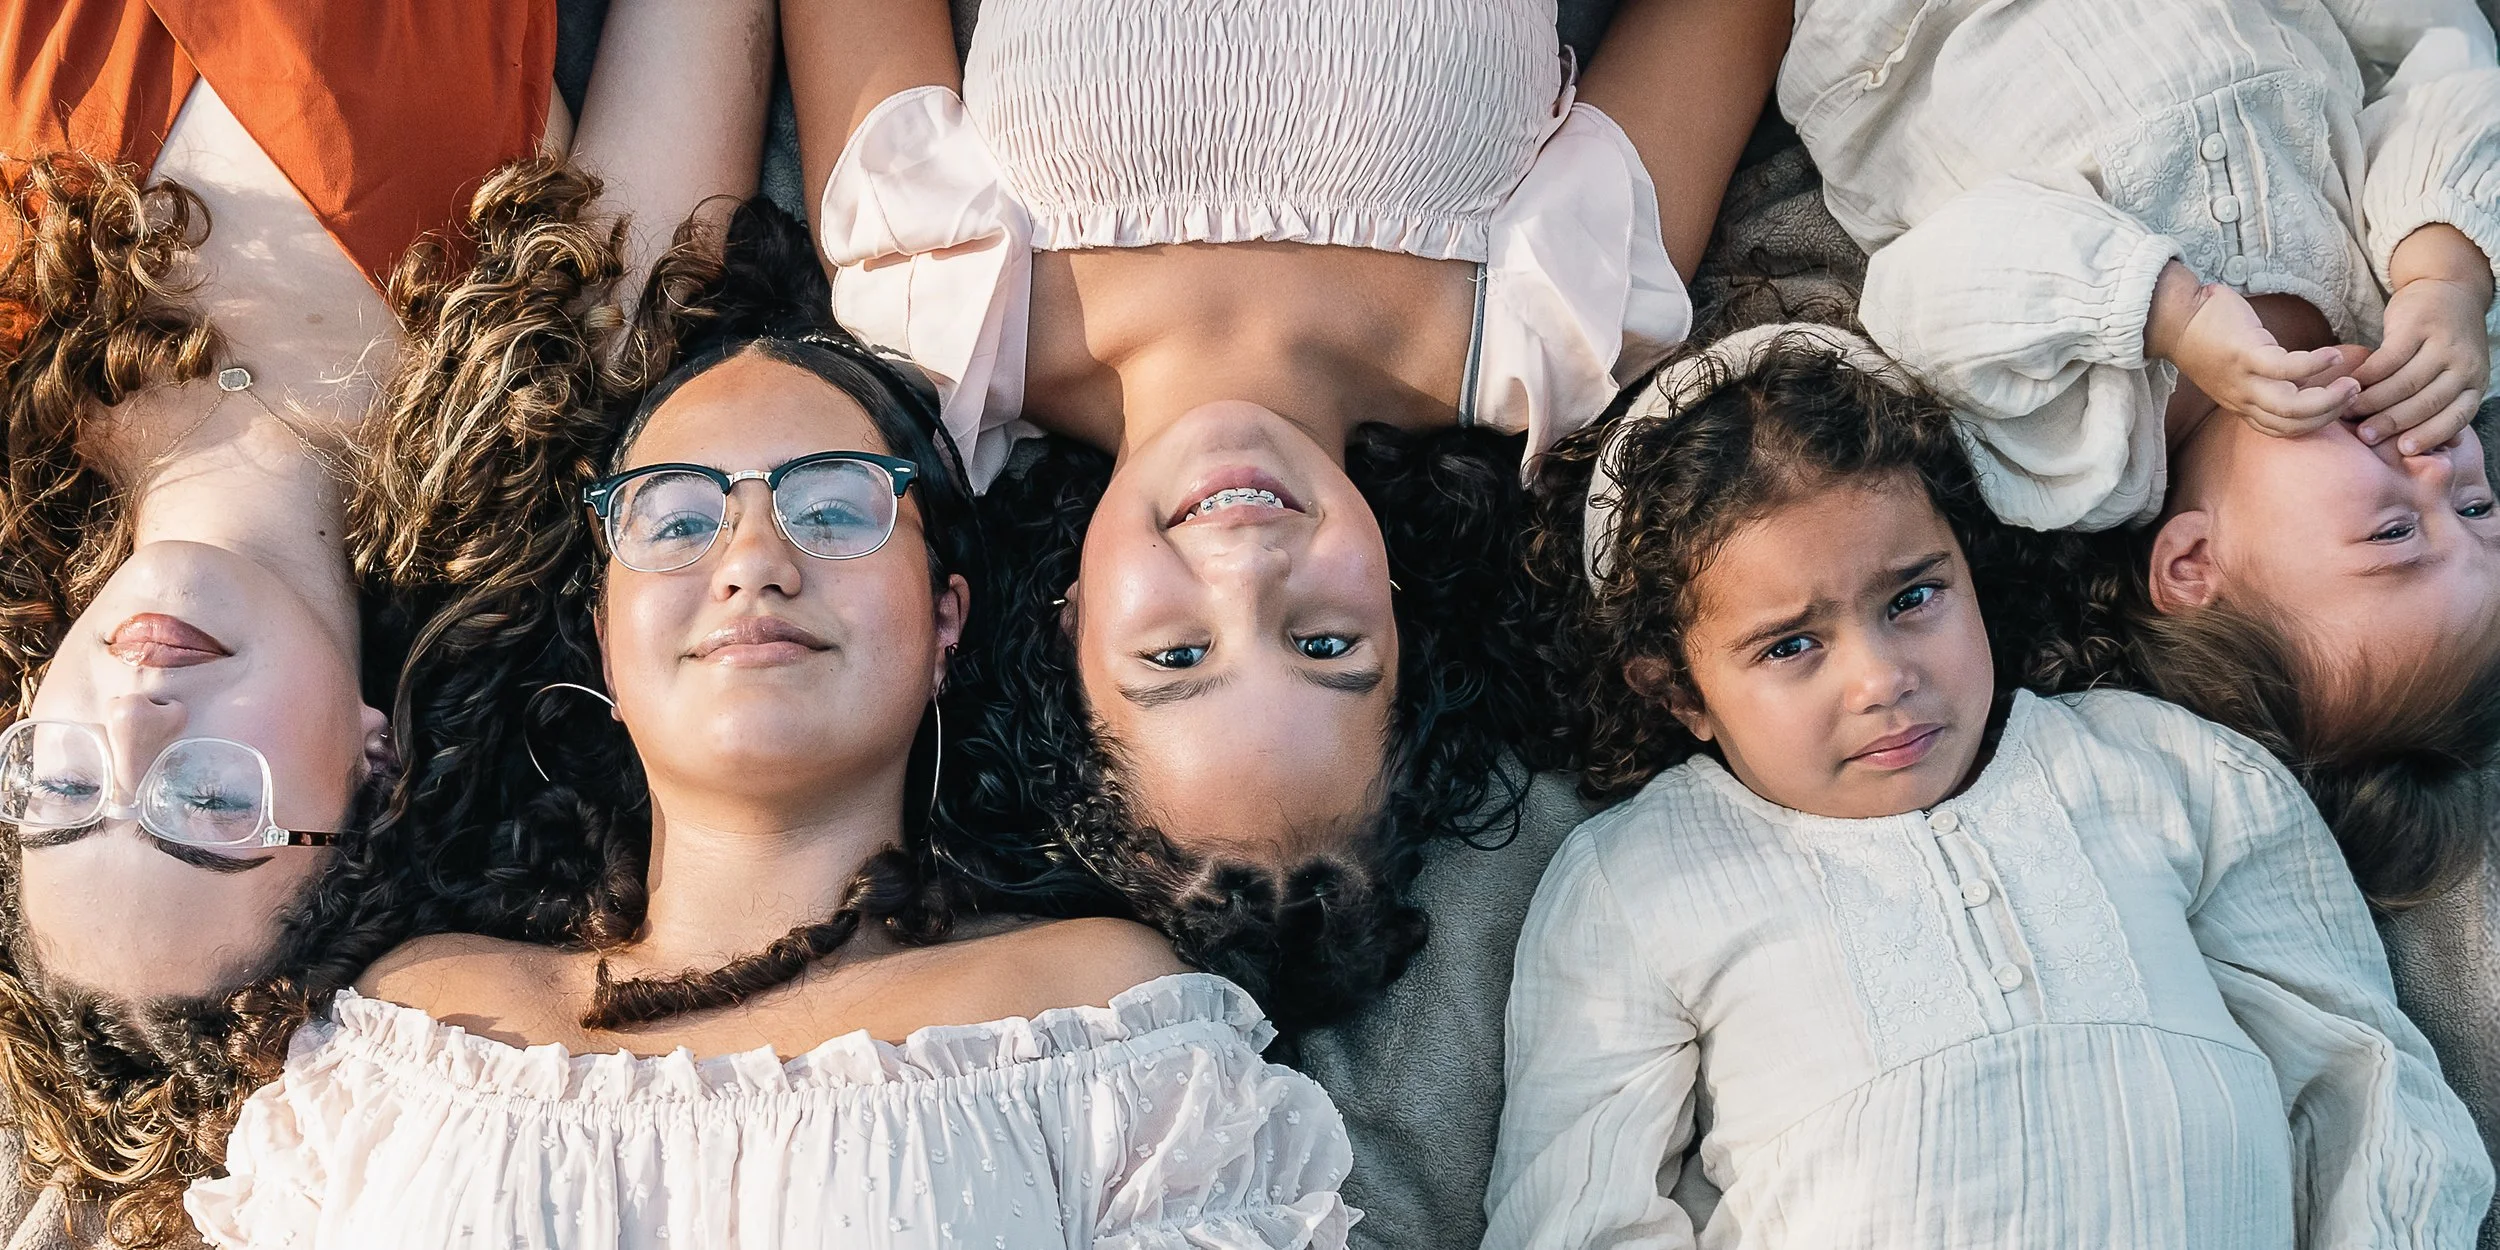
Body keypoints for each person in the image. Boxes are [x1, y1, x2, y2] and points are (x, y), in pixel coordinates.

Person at [186, 187, 1355, 1249]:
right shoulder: (409, 1030)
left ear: (947, 617)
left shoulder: (1104, 1025)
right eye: (678, 520)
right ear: (605, 634)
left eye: (835, 506)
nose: (752, 559)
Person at [780, 0, 1788, 1018]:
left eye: (1175, 655)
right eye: (1324, 643)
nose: (1246, 563)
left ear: (1068, 627)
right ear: (1403, 622)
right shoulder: (1555, 319)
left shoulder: (933, 297)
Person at [0, 2, 771, 1240]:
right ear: (373, 771)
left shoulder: (16, 367)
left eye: (66, 788)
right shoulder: (560, 362)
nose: (137, 718)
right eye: (208, 802)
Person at [1489, 324, 2491, 1248]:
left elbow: (2366, 1078)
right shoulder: (1635, 880)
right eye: (1791, 643)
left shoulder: (2169, 766)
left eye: (1913, 596)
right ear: (1678, 690)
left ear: (1971, 565)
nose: (1880, 678)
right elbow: (1575, 1212)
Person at [1778, 0, 2500, 905]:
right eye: (2479, 510)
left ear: (2195, 564)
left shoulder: (2072, 446)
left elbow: (1924, 287)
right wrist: (2449, 273)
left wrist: (2168, 312)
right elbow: (2447, 72)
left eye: (2395, 532)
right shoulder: (2411, 317)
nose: (2443, 466)